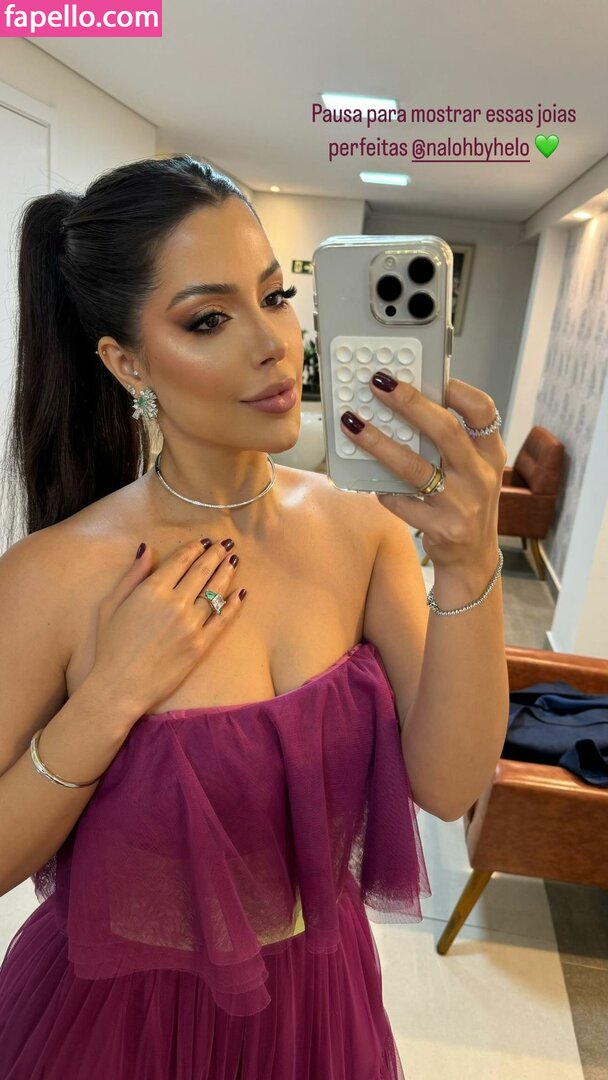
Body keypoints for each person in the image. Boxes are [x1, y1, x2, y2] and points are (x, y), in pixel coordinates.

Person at [0, 156, 508, 1078]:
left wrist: (472, 563)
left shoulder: (362, 528)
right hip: (120, 1025)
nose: (274, 343)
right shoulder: (55, 575)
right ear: (125, 362)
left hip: (317, 1008)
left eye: (275, 297)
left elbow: (450, 785)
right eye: (208, 319)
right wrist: (109, 699)